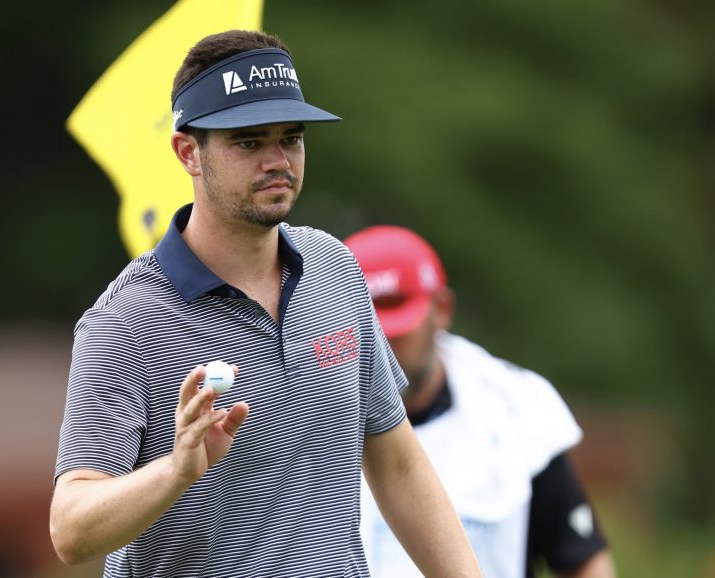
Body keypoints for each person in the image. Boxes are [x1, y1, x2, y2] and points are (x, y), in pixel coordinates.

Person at [49, 30, 482, 578]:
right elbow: (70, 530)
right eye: (249, 142)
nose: (278, 160)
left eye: (291, 138)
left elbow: (396, 464)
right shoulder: (124, 321)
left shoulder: (335, 271)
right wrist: (175, 471)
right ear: (189, 152)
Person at [344, 225, 617, 578]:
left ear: (442, 309)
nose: (382, 344)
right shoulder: (299, 415)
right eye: (367, 325)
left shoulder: (515, 410)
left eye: (398, 324)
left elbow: (582, 559)